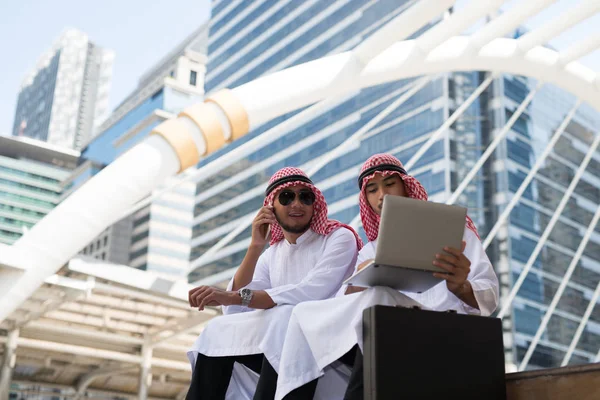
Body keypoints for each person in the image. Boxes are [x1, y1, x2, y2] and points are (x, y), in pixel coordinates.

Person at [273, 154, 500, 400]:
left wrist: (461, 286)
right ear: (366, 199)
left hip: (447, 330)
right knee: (302, 313)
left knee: (379, 298)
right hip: (389, 335)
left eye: (390, 184)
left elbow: (488, 292)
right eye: (372, 189)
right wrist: (366, 276)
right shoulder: (369, 251)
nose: (382, 194)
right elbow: (339, 306)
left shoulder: (455, 231)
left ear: (405, 186)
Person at [186, 167, 362, 400]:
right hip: (281, 347)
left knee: (287, 316)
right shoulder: (272, 253)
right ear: (270, 207)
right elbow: (234, 311)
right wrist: (255, 247)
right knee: (217, 329)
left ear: (315, 204)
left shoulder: (339, 237)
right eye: (287, 197)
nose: (297, 204)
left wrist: (232, 295)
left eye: (305, 197)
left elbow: (310, 292)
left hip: (327, 352)